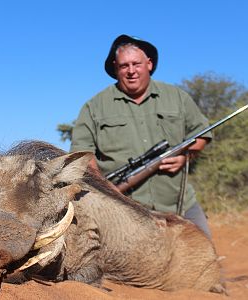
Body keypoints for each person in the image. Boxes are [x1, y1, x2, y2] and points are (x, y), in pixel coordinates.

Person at [70, 34, 212, 239]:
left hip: (180, 204)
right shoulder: (94, 106)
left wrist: (185, 157)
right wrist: (105, 187)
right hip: (124, 210)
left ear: (149, 64)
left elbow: (202, 135)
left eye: (136, 64)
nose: (131, 71)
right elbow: (82, 154)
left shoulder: (177, 96)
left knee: (206, 262)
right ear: (115, 68)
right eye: (124, 65)